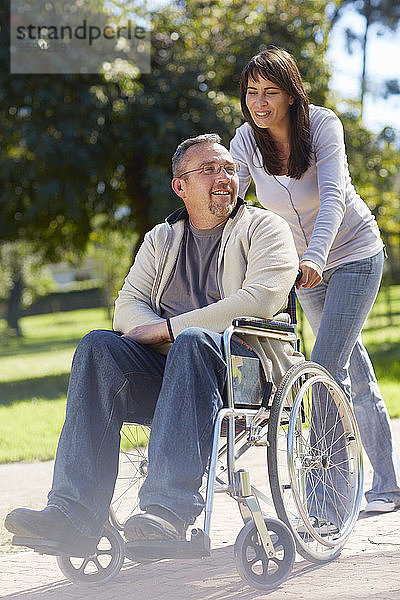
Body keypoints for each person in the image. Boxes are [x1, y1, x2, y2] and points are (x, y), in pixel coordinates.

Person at [5, 133, 301, 554]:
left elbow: (259, 300)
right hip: (172, 373)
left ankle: (167, 511)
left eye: (230, 169)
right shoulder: (161, 238)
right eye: (209, 170)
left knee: (194, 341)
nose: (224, 177)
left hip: (244, 373)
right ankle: (73, 515)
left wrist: (168, 330)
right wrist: (165, 337)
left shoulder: (265, 227)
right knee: (97, 347)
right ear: (180, 186)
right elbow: (127, 307)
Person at [230, 46, 400, 514]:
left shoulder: (322, 125)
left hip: (352, 255)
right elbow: (235, 206)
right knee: (353, 375)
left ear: (290, 95)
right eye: (251, 93)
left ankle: (328, 500)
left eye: (270, 92)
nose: (259, 103)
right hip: (303, 271)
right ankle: (387, 485)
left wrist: (317, 258)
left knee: (325, 369)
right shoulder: (245, 141)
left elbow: (334, 201)